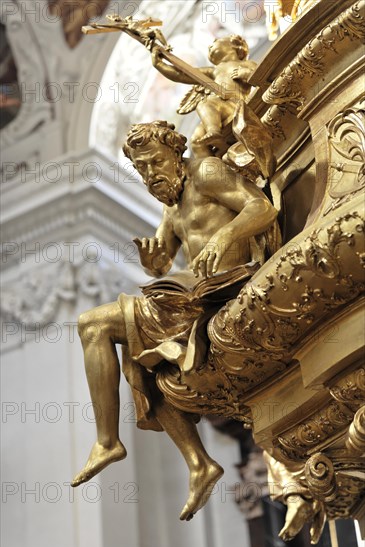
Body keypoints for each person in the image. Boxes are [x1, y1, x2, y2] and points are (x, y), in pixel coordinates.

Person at [71, 120, 279, 520]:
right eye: (141, 169)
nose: (150, 175)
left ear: (175, 152)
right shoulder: (171, 202)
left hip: (229, 285)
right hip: (195, 294)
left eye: (153, 163)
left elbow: (261, 207)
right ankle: (199, 464)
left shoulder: (205, 170)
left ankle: (107, 441)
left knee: (93, 324)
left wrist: (225, 236)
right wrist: (154, 261)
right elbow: (163, 260)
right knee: (141, 358)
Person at [151, 35, 257, 156]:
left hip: (235, 106)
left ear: (235, 44)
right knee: (196, 140)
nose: (209, 46)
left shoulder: (246, 64)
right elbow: (181, 74)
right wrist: (159, 64)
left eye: (216, 41)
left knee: (204, 103)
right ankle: (214, 169)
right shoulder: (213, 71)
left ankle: (214, 131)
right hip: (216, 108)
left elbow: (261, 76)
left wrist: (245, 73)